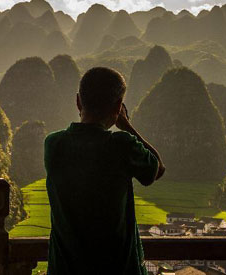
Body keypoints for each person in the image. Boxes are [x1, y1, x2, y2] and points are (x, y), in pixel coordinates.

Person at [44, 67, 166, 275]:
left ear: (78, 101)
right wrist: (127, 126)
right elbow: (156, 168)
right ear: (118, 106)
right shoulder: (121, 145)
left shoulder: (54, 144)